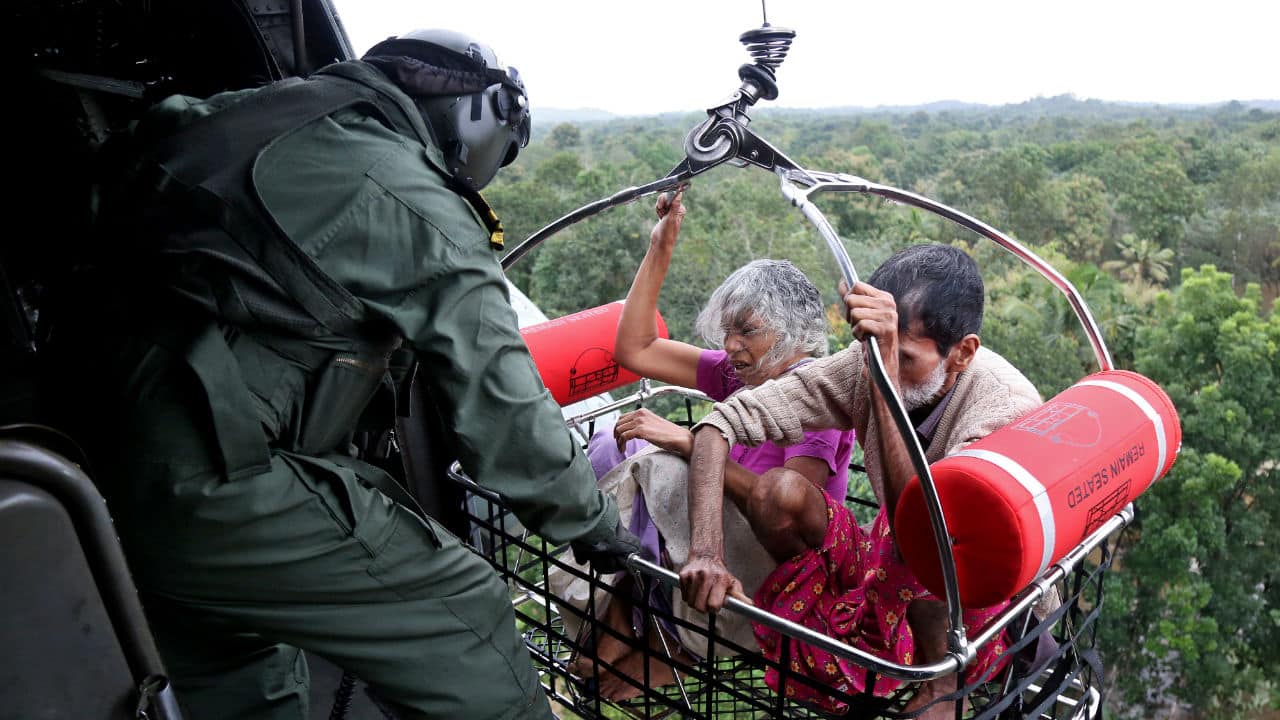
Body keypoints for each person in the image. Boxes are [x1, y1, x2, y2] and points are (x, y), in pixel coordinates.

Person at [48, 29, 638, 720]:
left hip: (86, 450)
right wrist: (591, 522)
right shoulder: (415, 199)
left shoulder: (229, 116)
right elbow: (508, 413)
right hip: (212, 478)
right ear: (483, 116)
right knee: (464, 618)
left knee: (240, 666)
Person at [678, 244, 1043, 718]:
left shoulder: (1004, 406)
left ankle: (942, 685)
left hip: (962, 586)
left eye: (906, 358)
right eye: (872, 351)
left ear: (961, 354)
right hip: (888, 554)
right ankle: (839, 646)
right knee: (775, 490)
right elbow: (718, 426)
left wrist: (884, 382)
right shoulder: (867, 360)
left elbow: (932, 536)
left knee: (936, 572)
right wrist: (706, 552)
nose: (881, 364)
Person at [568, 189, 855, 700]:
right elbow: (635, 347)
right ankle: (639, 610)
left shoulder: (816, 396)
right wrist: (661, 245)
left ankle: (664, 640)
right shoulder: (740, 377)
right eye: (727, 331)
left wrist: (685, 442)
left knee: (659, 461)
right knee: (617, 441)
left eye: (747, 331)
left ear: (791, 332)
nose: (730, 346)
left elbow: (784, 507)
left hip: (767, 566)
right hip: (706, 541)